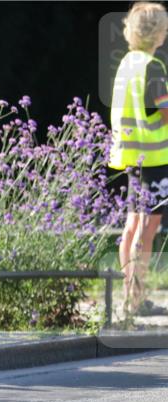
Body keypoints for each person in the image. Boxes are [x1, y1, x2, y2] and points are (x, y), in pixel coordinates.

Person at [110, 1, 168, 318]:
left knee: (132, 226)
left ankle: (128, 297)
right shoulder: (153, 67)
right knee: (148, 228)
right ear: (158, 32)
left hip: (132, 157)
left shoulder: (127, 63)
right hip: (156, 158)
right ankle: (136, 300)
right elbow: (164, 111)